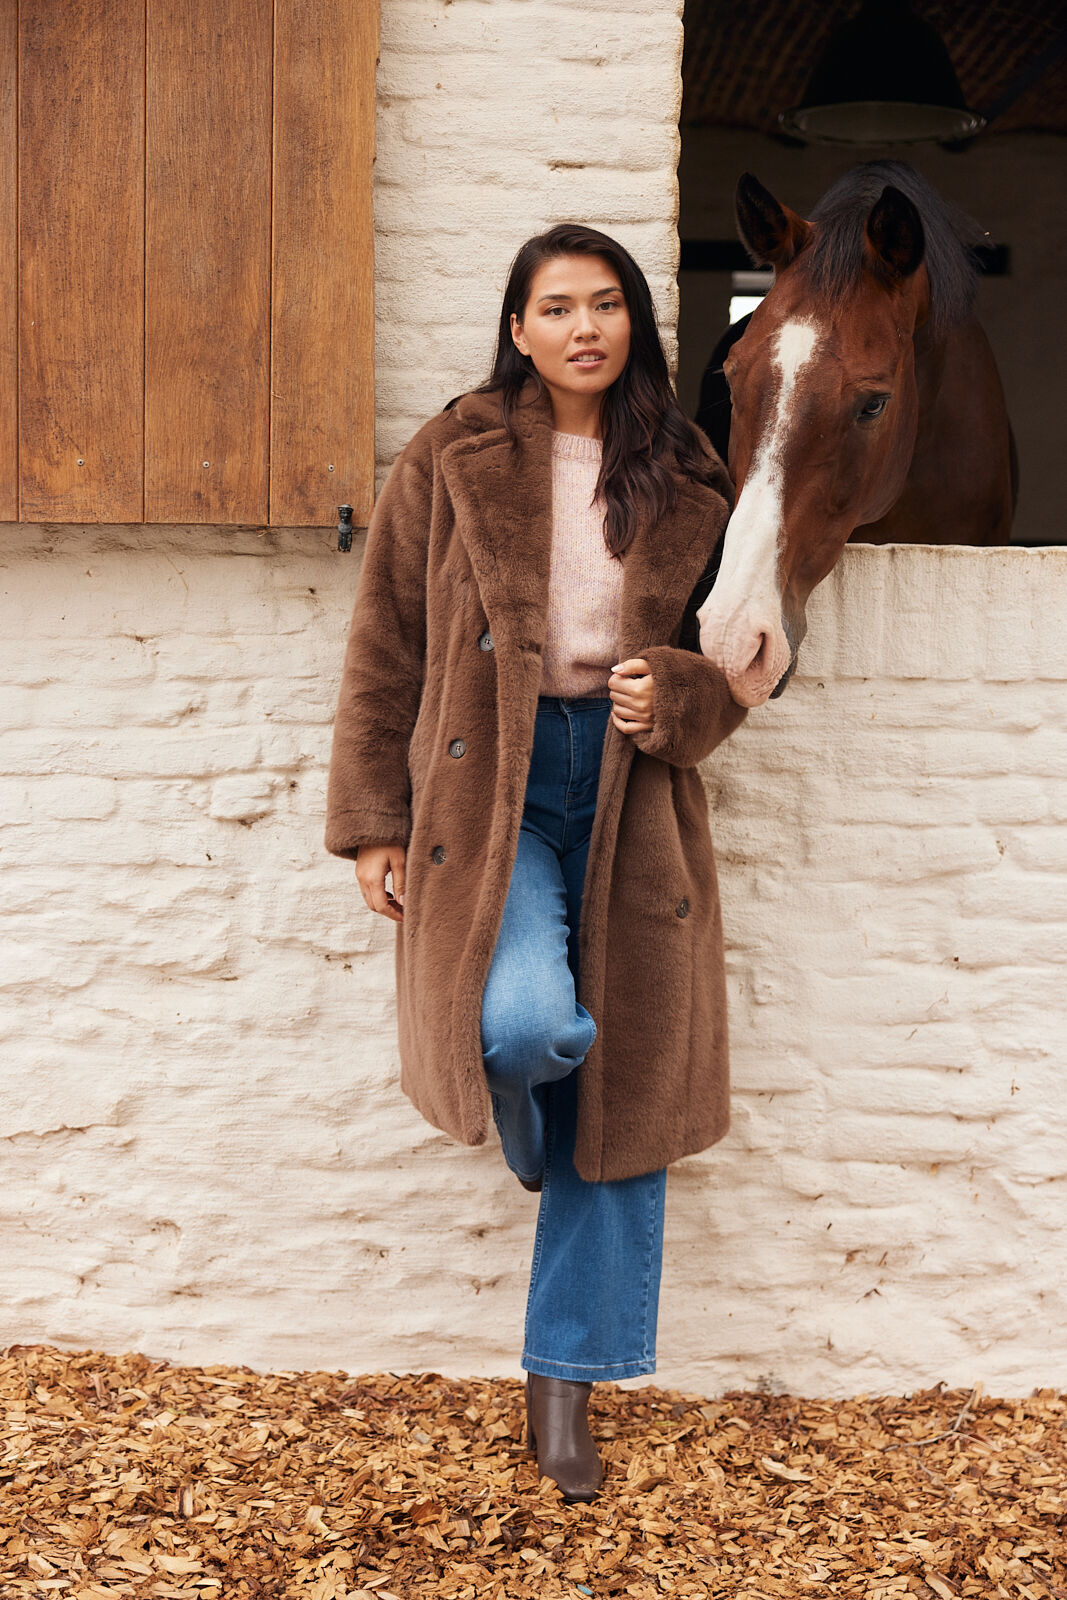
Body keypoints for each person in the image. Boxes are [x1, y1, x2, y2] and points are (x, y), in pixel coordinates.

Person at [325, 223, 747, 1502]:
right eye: (555, 306)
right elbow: (386, 634)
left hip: (629, 791)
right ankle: (525, 1113)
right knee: (523, 1031)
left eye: (605, 304)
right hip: (486, 785)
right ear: (517, 328)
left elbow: (740, 663)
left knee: (621, 1109)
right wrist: (373, 818)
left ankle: (563, 1386)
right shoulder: (450, 455)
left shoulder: (687, 473)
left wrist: (671, 693)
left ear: (634, 325)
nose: (582, 327)